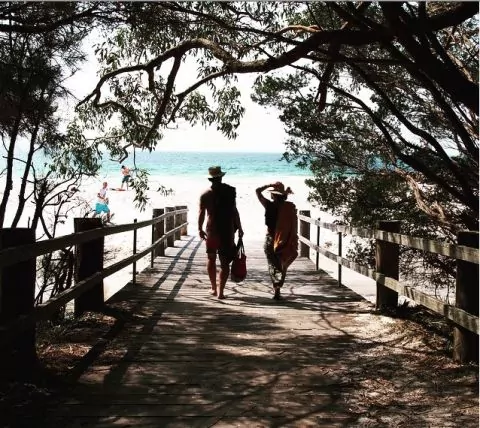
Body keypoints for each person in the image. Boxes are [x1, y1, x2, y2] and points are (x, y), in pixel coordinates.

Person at [198, 166, 244, 299]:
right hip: (227, 231)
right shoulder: (229, 191)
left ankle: (213, 288)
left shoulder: (205, 195)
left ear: (210, 179)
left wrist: (199, 229)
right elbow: (234, 211)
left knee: (211, 258)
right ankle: (221, 292)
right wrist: (240, 228)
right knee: (224, 263)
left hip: (212, 231)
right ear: (221, 177)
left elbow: (201, 213)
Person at [256, 181, 298, 300]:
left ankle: (277, 291)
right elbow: (293, 224)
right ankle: (278, 287)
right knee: (282, 263)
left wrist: (267, 185)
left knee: (273, 265)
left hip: (271, 239)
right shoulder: (289, 207)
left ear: (273, 195)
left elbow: (257, 191)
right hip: (285, 239)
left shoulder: (269, 205)